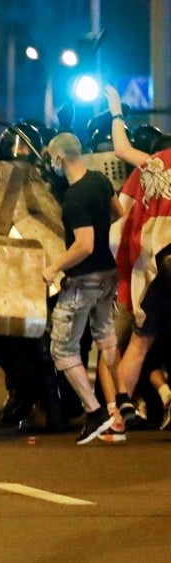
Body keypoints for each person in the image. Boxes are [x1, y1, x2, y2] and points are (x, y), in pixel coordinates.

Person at [41, 132, 125, 444]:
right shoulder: (101, 181)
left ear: (59, 158)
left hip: (84, 278)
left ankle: (94, 412)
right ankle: (121, 406)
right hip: (108, 274)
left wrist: (54, 267)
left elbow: (84, 245)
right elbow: (118, 212)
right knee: (106, 338)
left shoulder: (73, 198)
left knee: (61, 348)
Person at [104, 86, 171, 427]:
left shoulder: (155, 165)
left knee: (141, 344)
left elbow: (120, 148)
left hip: (160, 268)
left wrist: (116, 110)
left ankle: (118, 415)